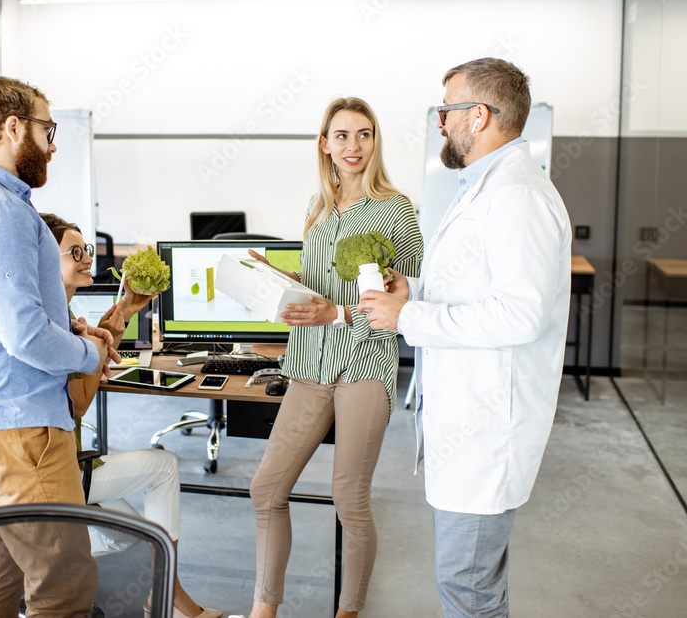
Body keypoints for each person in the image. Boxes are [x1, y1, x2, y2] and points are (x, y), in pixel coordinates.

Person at [358, 58, 572, 617]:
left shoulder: (517, 194)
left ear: (478, 117)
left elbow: (518, 316)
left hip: (486, 430)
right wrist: (415, 289)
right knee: (470, 582)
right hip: (466, 421)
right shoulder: (484, 184)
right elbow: (474, 284)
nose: (439, 123)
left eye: (446, 110)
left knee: (467, 587)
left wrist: (406, 318)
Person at [0, 77, 120, 618]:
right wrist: (91, 356)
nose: (54, 144)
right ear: (13, 129)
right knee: (64, 581)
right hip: (16, 426)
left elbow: (10, 318)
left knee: (1, 557)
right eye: (47, 129)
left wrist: (70, 330)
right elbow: (24, 337)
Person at [239, 98, 423, 618]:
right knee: (266, 489)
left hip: (363, 362)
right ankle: (263, 611)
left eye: (363, 135)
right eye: (341, 136)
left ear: (375, 141)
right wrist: (276, 280)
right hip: (308, 364)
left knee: (349, 498)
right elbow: (316, 287)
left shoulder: (396, 209)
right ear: (324, 143)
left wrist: (336, 316)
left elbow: (402, 302)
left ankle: (348, 612)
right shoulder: (316, 209)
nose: (353, 147)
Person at [40, 212, 223, 618]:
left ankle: (160, 593)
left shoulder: (61, 318)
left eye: (85, 249)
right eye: (74, 252)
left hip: (60, 464)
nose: (87, 258)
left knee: (136, 539)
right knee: (162, 466)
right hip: (55, 473)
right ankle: (169, 599)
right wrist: (97, 344)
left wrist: (118, 317)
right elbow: (79, 404)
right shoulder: (54, 326)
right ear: (41, 257)